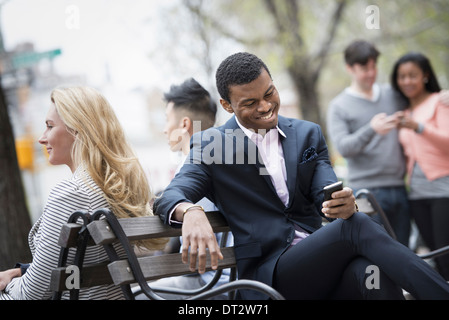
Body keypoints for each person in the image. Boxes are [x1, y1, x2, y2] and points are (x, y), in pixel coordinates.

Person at [153, 51, 449, 300]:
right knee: (355, 227)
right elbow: (170, 196)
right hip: (268, 276)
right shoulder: (212, 144)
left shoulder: (307, 134)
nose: (266, 106)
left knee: (372, 274)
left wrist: (343, 203)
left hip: (318, 262)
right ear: (227, 106)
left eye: (269, 93)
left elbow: (327, 190)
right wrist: (189, 211)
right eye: (250, 103)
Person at [0, 86, 167, 300]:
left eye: (50, 127)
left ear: (77, 130)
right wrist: (20, 273)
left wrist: (8, 287)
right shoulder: (116, 189)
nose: (42, 138)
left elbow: (34, 292)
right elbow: (81, 261)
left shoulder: (71, 194)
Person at [135, 78, 233, 299]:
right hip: (231, 277)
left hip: (211, 284)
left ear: (185, 124)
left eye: (167, 119)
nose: (163, 129)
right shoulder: (230, 158)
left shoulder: (191, 172)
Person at [327, 40, 411, 246]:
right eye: (365, 68)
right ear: (350, 68)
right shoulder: (339, 106)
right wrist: (372, 129)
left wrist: (441, 96)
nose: (371, 73)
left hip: (400, 187)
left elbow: (419, 104)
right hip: (366, 191)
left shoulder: (393, 95)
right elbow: (344, 148)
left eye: (374, 66)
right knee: (377, 253)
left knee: (406, 253)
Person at [391, 52, 449, 280]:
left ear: (425, 75)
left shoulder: (440, 102)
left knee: (445, 253)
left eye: (412, 75)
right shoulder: (404, 112)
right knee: (434, 255)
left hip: (443, 189)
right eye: (401, 76)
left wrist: (419, 127)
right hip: (416, 194)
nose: (406, 81)